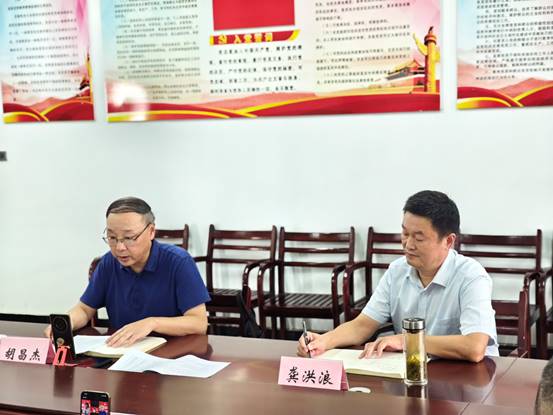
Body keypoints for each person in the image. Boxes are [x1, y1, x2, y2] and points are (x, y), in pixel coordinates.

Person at [298, 190, 498, 362]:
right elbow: (363, 325)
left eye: (419, 238)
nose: (408, 244)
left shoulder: (471, 276)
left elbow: (474, 347)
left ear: (448, 241)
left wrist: (408, 341)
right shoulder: (397, 271)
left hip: (469, 377)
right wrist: (323, 341)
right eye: (405, 234)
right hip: (413, 370)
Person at [45, 196, 210, 347]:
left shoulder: (178, 262)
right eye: (112, 237)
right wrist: (64, 324)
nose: (119, 247)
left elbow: (199, 323)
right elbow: (84, 310)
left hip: (171, 353)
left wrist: (152, 323)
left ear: (151, 231)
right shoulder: (108, 263)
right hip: (123, 352)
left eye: (129, 238)